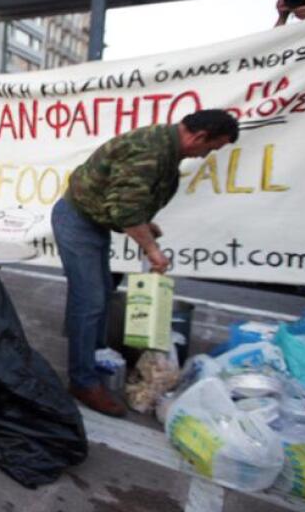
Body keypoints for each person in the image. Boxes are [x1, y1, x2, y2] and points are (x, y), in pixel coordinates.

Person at [53, 110, 239, 417]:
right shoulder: (151, 151)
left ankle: (93, 356)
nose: (206, 155)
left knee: (99, 292)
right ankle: (83, 381)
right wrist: (152, 249)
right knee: (91, 299)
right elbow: (125, 209)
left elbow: (126, 195)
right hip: (78, 221)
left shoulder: (165, 147)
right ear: (199, 136)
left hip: (93, 220)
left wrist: (144, 224)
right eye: (210, 148)